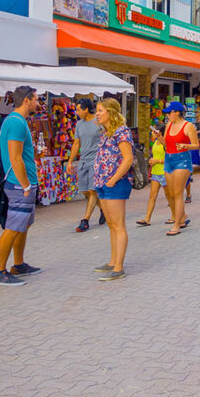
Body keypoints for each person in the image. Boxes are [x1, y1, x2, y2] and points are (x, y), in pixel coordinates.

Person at [0, 86, 41, 286]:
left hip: (23, 183)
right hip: (19, 184)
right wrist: (25, 185)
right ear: (27, 100)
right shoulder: (17, 123)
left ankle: (18, 264)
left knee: (23, 225)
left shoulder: (16, 121)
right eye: (36, 99)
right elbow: (15, 157)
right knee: (13, 227)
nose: (38, 103)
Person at [93, 98, 134, 281]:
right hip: (103, 182)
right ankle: (112, 261)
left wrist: (113, 179)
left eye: (100, 110)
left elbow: (128, 159)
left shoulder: (121, 132)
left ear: (111, 112)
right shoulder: (105, 133)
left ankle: (118, 267)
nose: (97, 114)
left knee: (118, 225)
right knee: (111, 224)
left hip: (115, 183)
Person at [162, 102, 200, 236]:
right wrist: (159, 138)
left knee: (178, 194)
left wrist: (185, 146)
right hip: (168, 159)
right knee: (171, 193)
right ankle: (182, 216)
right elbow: (166, 144)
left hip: (182, 160)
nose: (167, 115)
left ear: (177, 112)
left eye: (169, 112)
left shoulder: (188, 126)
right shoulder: (168, 125)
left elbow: (196, 145)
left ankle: (177, 225)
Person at [67, 98, 104, 233]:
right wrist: (70, 161)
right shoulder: (79, 124)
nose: (76, 112)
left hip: (96, 160)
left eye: (78, 110)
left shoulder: (98, 121)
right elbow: (76, 143)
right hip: (83, 160)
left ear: (86, 109)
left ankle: (85, 220)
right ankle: (103, 210)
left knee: (92, 190)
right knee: (85, 191)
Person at [136, 122, 174, 226]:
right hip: (155, 172)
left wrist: (157, 161)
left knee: (169, 196)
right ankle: (147, 219)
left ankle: (175, 215)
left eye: (154, 131)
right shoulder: (155, 142)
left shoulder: (164, 143)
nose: (152, 133)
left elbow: (169, 158)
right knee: (152, 196)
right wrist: (152, 160)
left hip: (164, 172)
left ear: (159, 132)